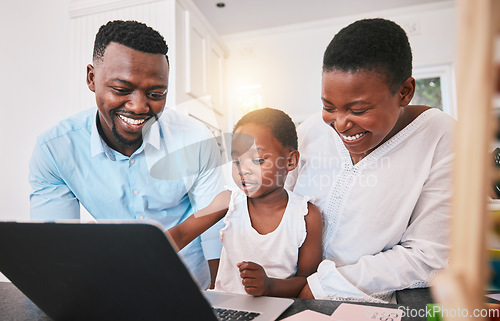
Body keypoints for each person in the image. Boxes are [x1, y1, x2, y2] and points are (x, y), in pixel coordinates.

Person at [28, 20, 225, 289]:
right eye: (121, 90)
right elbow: (56, 247)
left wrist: (220, 299)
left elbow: (214, 228)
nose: (138, 106)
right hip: (115, 288)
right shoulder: (56, 150)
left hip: (192, 286)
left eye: (156, 93)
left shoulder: (196, 139)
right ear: (91, 78)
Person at [285, 18, 454, 302]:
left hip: (363, 302)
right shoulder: (311, 130)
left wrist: (321, 287)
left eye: (359, 109)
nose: (340, 124)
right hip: (282, 290)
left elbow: (429, 255)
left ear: (404, 92)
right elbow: (276, 202)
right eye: (329, 106)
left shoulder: (443, 137)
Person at [167, 108, 323, 297]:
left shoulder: (306, 215)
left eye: (257, 160)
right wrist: (139, 255)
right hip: (226, 309)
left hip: (277, 310)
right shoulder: (228, 201)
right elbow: (182, 233)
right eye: (236, 161)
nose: (244, 170)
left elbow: (307, 280)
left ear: (290, 161)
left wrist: (269, 286)